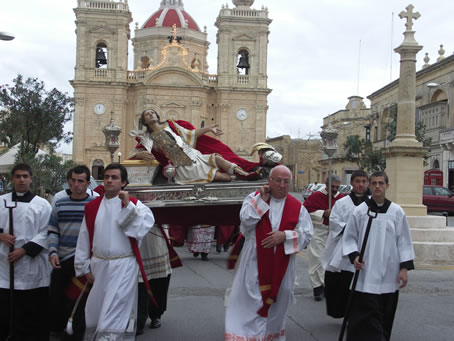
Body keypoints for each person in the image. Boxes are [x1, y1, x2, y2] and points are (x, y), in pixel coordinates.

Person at [225, 165, 313, 340]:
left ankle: (270, 335)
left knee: (280, 297)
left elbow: (307, 234)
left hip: (283, 262)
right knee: (251, 299)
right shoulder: (254, 198)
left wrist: (285, 236)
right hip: (254, 258)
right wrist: (262, 202)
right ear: (269, 181)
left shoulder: (297, 207)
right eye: (278, 180)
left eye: (286, 181)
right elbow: (246, 222)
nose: (282, 185)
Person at [74, 163, 155, 340]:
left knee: (113, 312)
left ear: (124, 182)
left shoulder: (135, 205)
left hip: (123, 265)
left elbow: (139, 229)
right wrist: (84, 267)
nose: (109, 180)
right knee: (96, 310)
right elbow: (84, 237)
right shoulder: (92, 207)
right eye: (107, 177)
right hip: (98, 266)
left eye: (114, 177)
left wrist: (127, 207)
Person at [343, 171, 415, 341]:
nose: (377, 187)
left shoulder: (397, 212)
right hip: (365, 275)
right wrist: (354, 256)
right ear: (369, 185)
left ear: (387, 186)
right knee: (363, 319)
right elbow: (350, 237)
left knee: (385, 317)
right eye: (374, 183)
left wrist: (404, 268)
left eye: (381, 183)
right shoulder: (360, 211)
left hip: (389, 275)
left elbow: (404, 241)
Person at [130, 109, 257, 184]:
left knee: (218, 157)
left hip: (194, 156)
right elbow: (134, 152)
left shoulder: (171, 125)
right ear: (145, 121)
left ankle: (245, 174)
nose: (151, 114)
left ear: (157, 116)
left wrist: (208, 129)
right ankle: (236, 177)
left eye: (153, 113)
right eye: (147, 114)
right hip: (183, 166)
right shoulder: (146, 137)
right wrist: (139, 154)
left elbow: (190, 134)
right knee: (223, 177)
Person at [0, 163, 52, 341]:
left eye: (25, 176)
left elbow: (47, 231)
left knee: (31, 310)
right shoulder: (2, 201)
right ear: (12, 179)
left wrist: (25, 250)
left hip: (31, 264)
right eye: (17, 176)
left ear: (31, 178)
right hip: (5, 266)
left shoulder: (42, 204)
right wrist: (1, 236)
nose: (21, 180)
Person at [48, 165, 97, 340]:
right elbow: (53, 230)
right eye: (73, 181)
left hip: (85, 261)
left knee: (81, 299)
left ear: (88, 183)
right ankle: (58, 330)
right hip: (62, 259)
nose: (76, 185)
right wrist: (52, 252)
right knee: (58, 297)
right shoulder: (59, 203)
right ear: (68, 182)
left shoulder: (94, 206)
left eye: (81, 181)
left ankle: (80, 333)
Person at [321, 170, 369, 318]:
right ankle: (346, 312)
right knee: (344, 282)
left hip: (366, 247)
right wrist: (352, 229)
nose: (360, 185)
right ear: (351, 183)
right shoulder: (342, 203)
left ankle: (360, 314)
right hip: (344, 247)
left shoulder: (372, 203)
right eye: (357, 181)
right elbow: (334, 222)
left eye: (363, 181)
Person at [303, 174, 343, 301]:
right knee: (316, 259)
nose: (335, 189)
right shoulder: (316, 197)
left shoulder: (341, 199)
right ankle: (317, 287)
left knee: (330, 261)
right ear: (326, 185)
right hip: (318, 231)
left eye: (337, 187)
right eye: (333, 187)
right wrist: (323, 213)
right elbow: (305, 212)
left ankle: (327, 287)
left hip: (333, 234)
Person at [136, 225, 182, 335]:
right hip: (137, 238)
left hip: (157, 237)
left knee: (159, 280)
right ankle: (139, 319)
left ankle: (156, 314)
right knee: (139, 283)